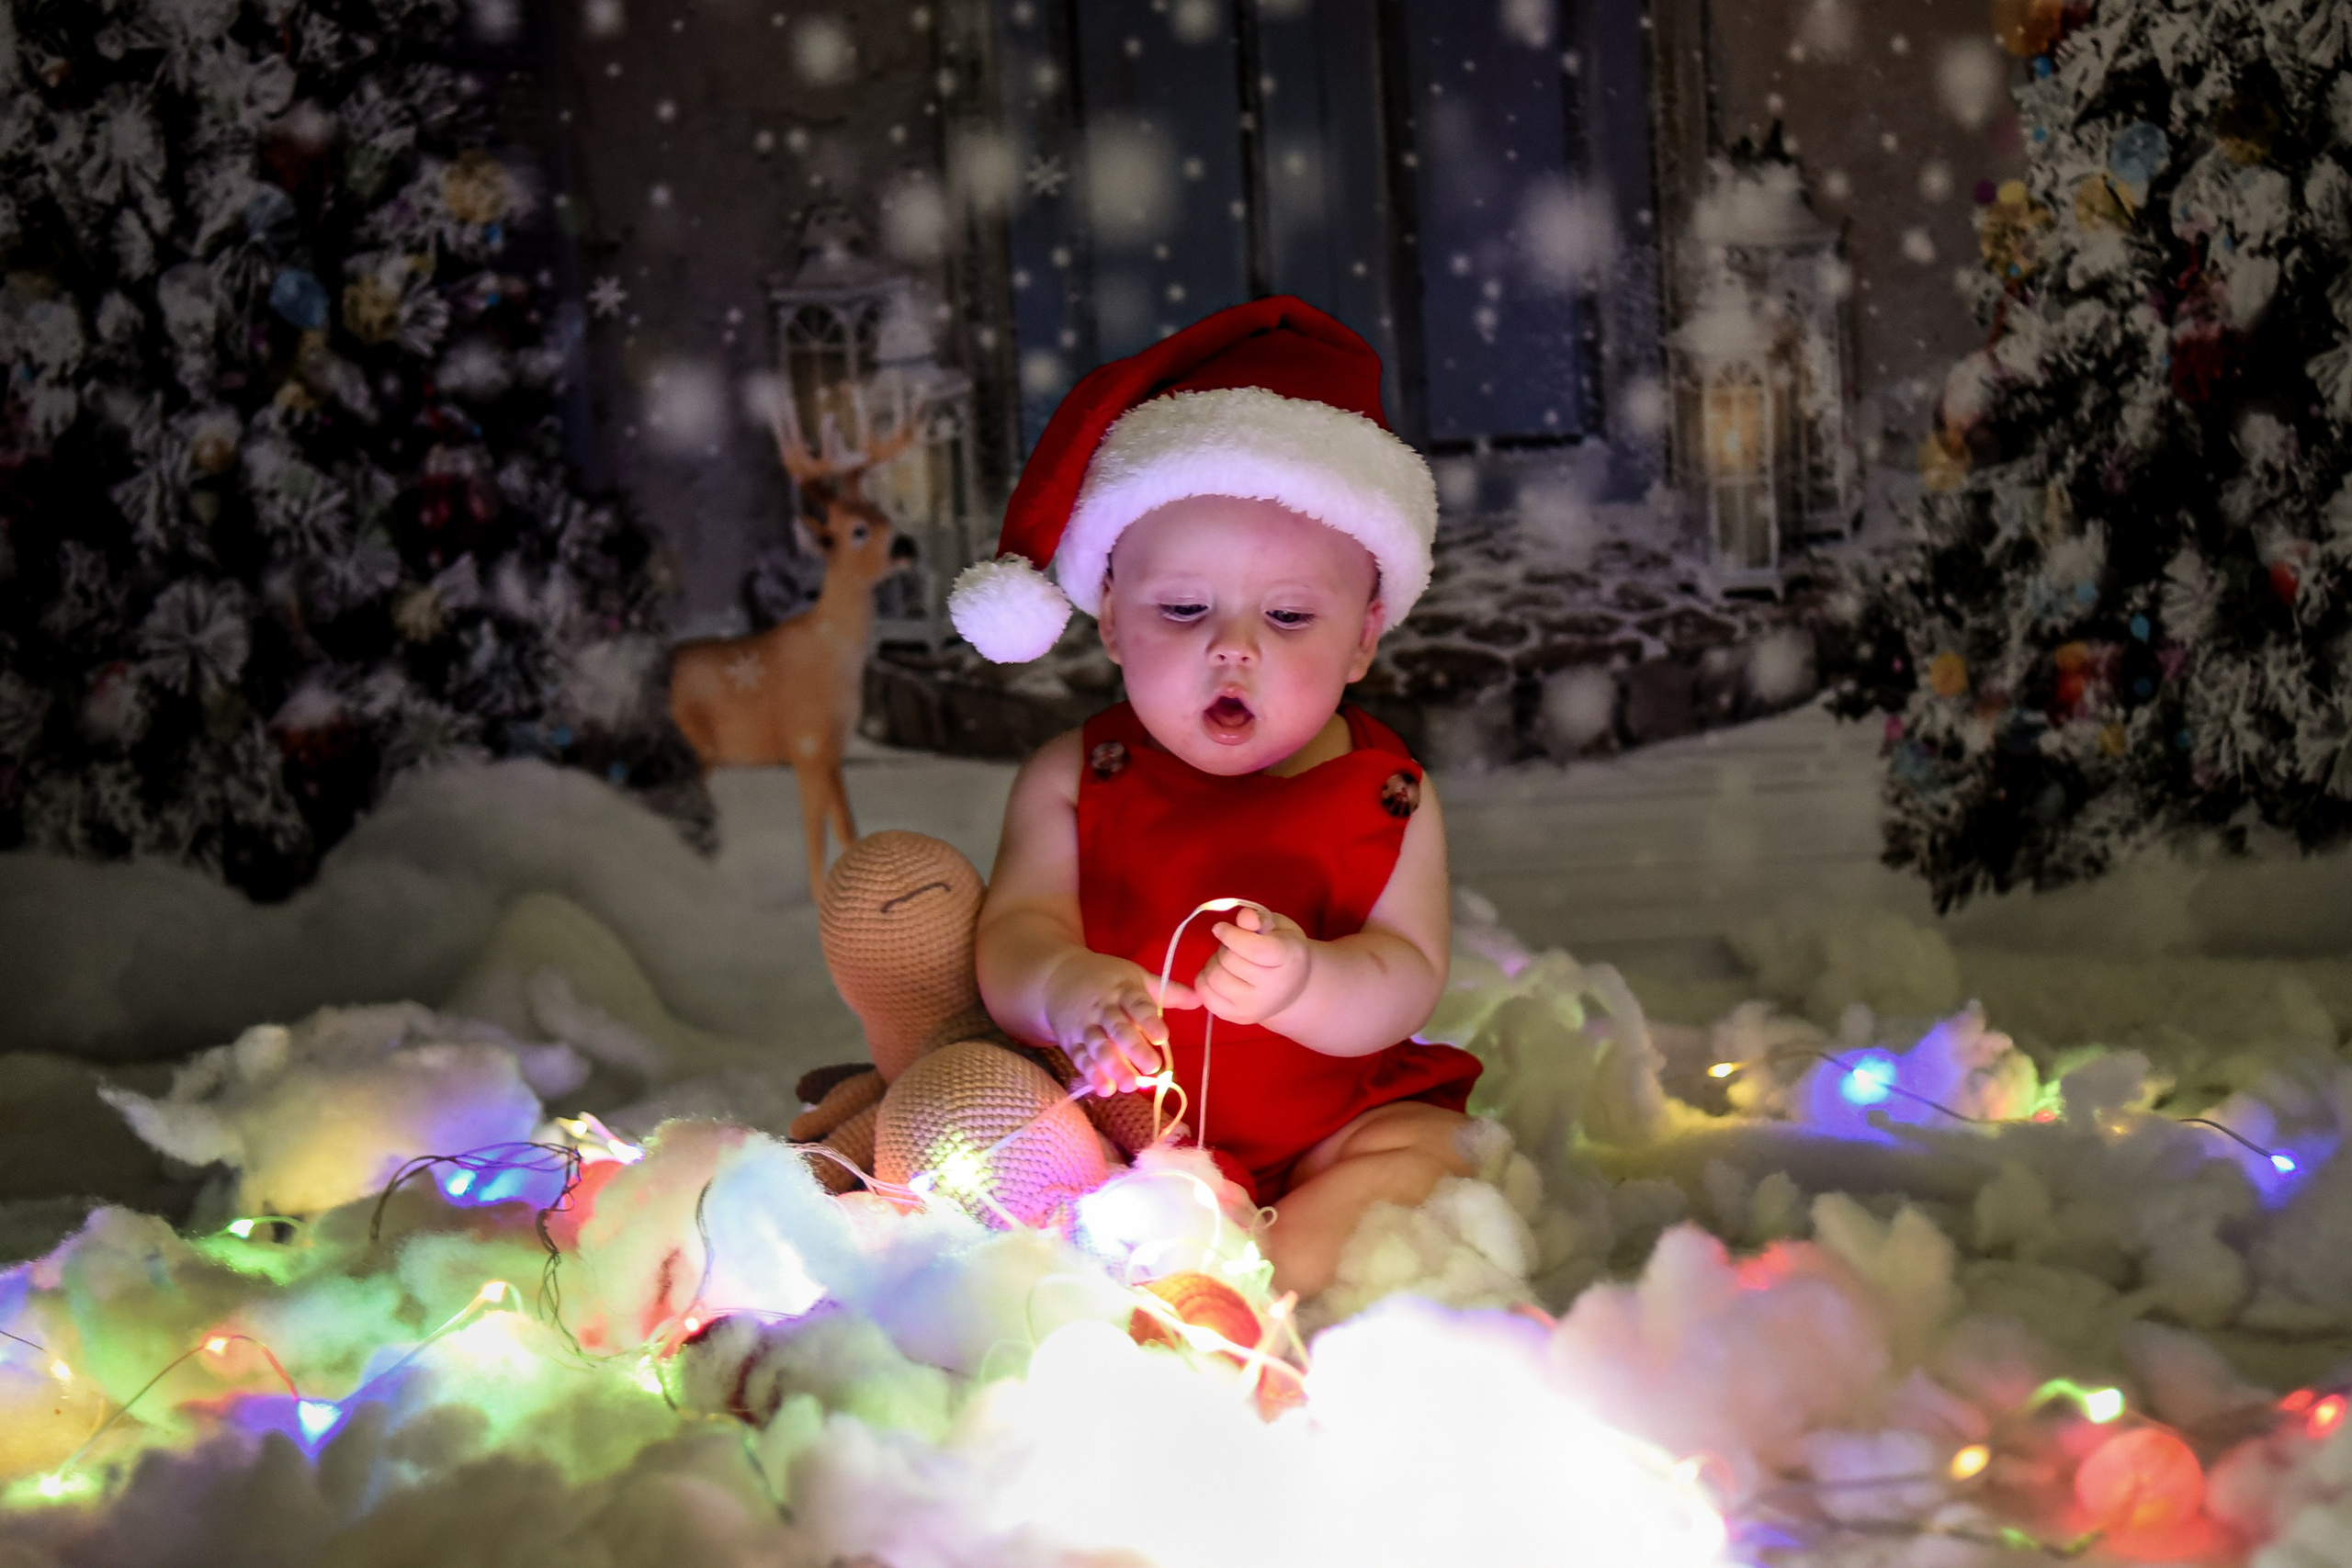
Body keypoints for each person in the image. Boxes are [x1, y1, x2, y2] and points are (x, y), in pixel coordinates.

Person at [946, 297, 1484, 1299]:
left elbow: (1406, 973)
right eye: (1183, 608)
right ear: (1109, 616)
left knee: (1426, 1159)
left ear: (1363, 638)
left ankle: (1253, 1289)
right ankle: (1138, 1272)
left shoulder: (1390, 796)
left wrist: (1304, 985)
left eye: (1288, 615)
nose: (1232, 646)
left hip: (1327, 1127)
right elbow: (1014, 930)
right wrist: (1066, 987)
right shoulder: (1076, 778)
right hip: (1121, 1133)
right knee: (1007, 1152)